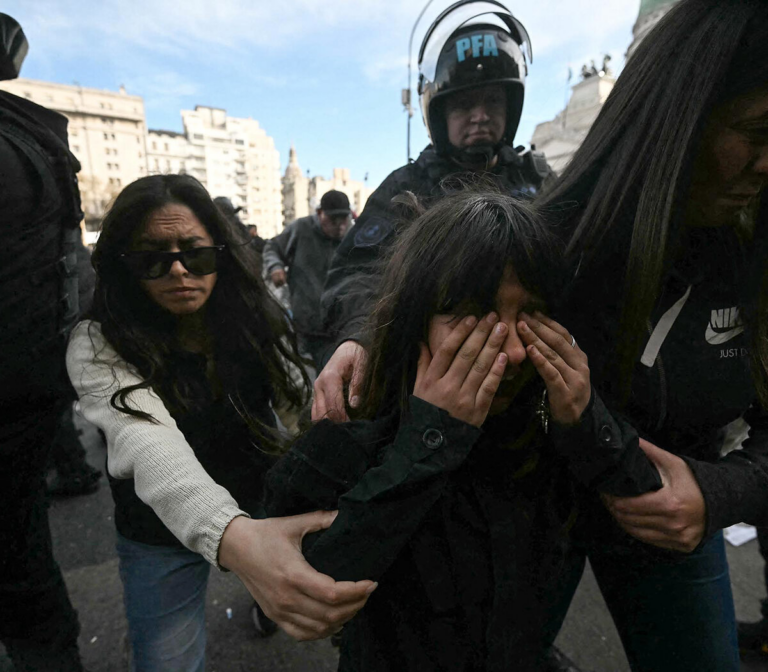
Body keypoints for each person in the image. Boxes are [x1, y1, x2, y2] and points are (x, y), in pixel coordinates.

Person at [265, 189, 623, 671]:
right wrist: (428, 442)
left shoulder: (549, 425)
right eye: (475, 315)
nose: (513, 352)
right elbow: (314, 589)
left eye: (532, 314)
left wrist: (585, 417)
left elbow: (642, 501)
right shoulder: (352, 430)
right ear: (414, 317)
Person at [534, 0, 768, 669]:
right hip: (540, 505)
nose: (765, 165)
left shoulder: (757, 247)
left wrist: (718, 492)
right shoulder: (558, 241)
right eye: (755, 134)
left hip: (673, 510)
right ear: (685, 116)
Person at [66, 174, 376, 671]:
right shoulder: (97, 341)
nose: (179, 271)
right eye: (152, 256)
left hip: (262, 505)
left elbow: (299, 402)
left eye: (196, 253)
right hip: (157, 532)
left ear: (221, 252)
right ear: (123, 264)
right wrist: (234, 540)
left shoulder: (251, 315)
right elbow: (144, 438)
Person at [314, 0, 552, 419]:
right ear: (438, 112)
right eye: (464, 105)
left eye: (493, 101)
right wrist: (358, 338)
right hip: (432, 395)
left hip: (531, 392)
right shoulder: (405, 188)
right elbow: (356, 276)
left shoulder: (540, 181)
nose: (480, 117)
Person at [0, 14, 88, 671]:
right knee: (23, 567)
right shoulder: (36, 136)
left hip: (18, 389)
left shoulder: (18, 140)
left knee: (21, 574)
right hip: (32, 384)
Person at [263, 189, 352, 368]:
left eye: (344, 219)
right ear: (320, 214)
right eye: (333, 220)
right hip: (306, 324)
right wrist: (276, 266)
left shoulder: (352, 236)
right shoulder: (300, 228)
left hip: (339, 327)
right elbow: (272, 247)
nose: (340, 226)